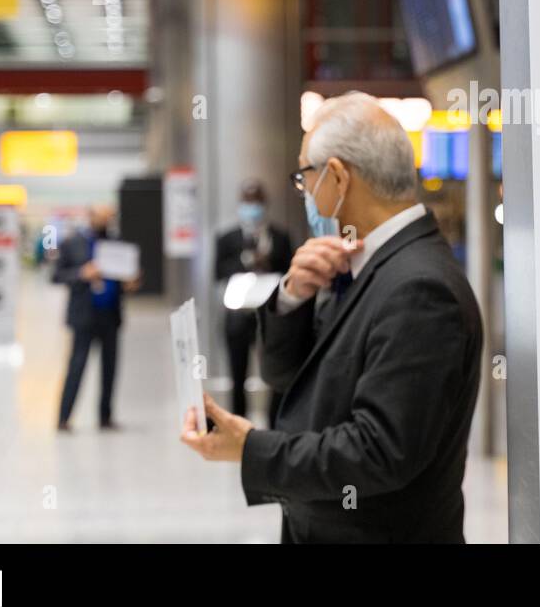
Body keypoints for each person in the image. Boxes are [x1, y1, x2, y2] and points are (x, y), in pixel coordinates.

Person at [181, 92, 482, 543]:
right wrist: (290, 297)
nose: (304, 195)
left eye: (306, 179)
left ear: (338, 178)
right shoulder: (357, 265)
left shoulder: (419, 288)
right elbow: (287, 377)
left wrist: (251, 448)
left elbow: (380, 451)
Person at [55, 205, 140, 432]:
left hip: (110, 315)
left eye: (109, 217)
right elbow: (56, 275)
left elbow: (127, 278)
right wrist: (81, 274)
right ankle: (63, 418)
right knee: (77, 366)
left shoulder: (117, 244)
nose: (105, 221)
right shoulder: (72, 243)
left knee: (110, 368)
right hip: (84, 315)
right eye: (101, 216)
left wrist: (130, 283)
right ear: (91, 216)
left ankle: (105, 416)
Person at [215, 180, 294, 419]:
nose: (252, 207)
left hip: (270, 315)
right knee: (237, 373)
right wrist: (245, 263)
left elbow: (290, 273)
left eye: (256, 202)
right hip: (238, 315)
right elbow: (218, 273)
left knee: (275, 373)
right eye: (248, 202)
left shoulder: (280, 238)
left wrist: (267, 264)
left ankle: (274, 423)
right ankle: (239, 422)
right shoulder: (227, 238)